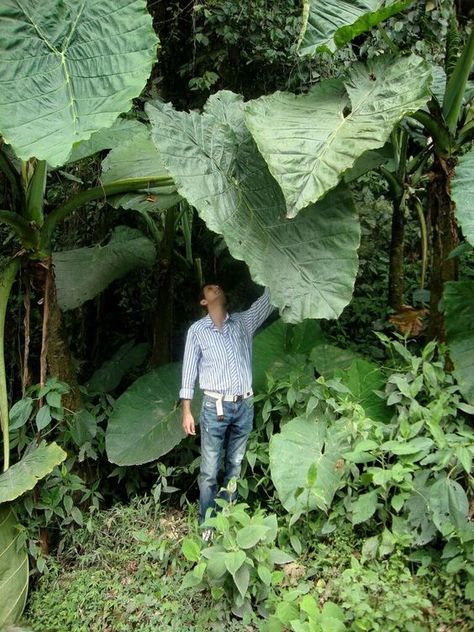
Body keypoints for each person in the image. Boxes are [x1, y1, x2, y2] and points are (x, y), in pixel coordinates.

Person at [180, 283, 274, 536]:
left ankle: (227, 519)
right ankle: (207, 526)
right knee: (210, 471)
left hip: (243, 404)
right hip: (214, 406)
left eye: (218, 286)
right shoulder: (198, 331)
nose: (217, 288)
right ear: (204, 302)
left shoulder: (243, 322)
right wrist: (186, 410)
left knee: (234, 465)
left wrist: (272, 266)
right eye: (210, 288)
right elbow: (188, 371)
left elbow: (269, 300)